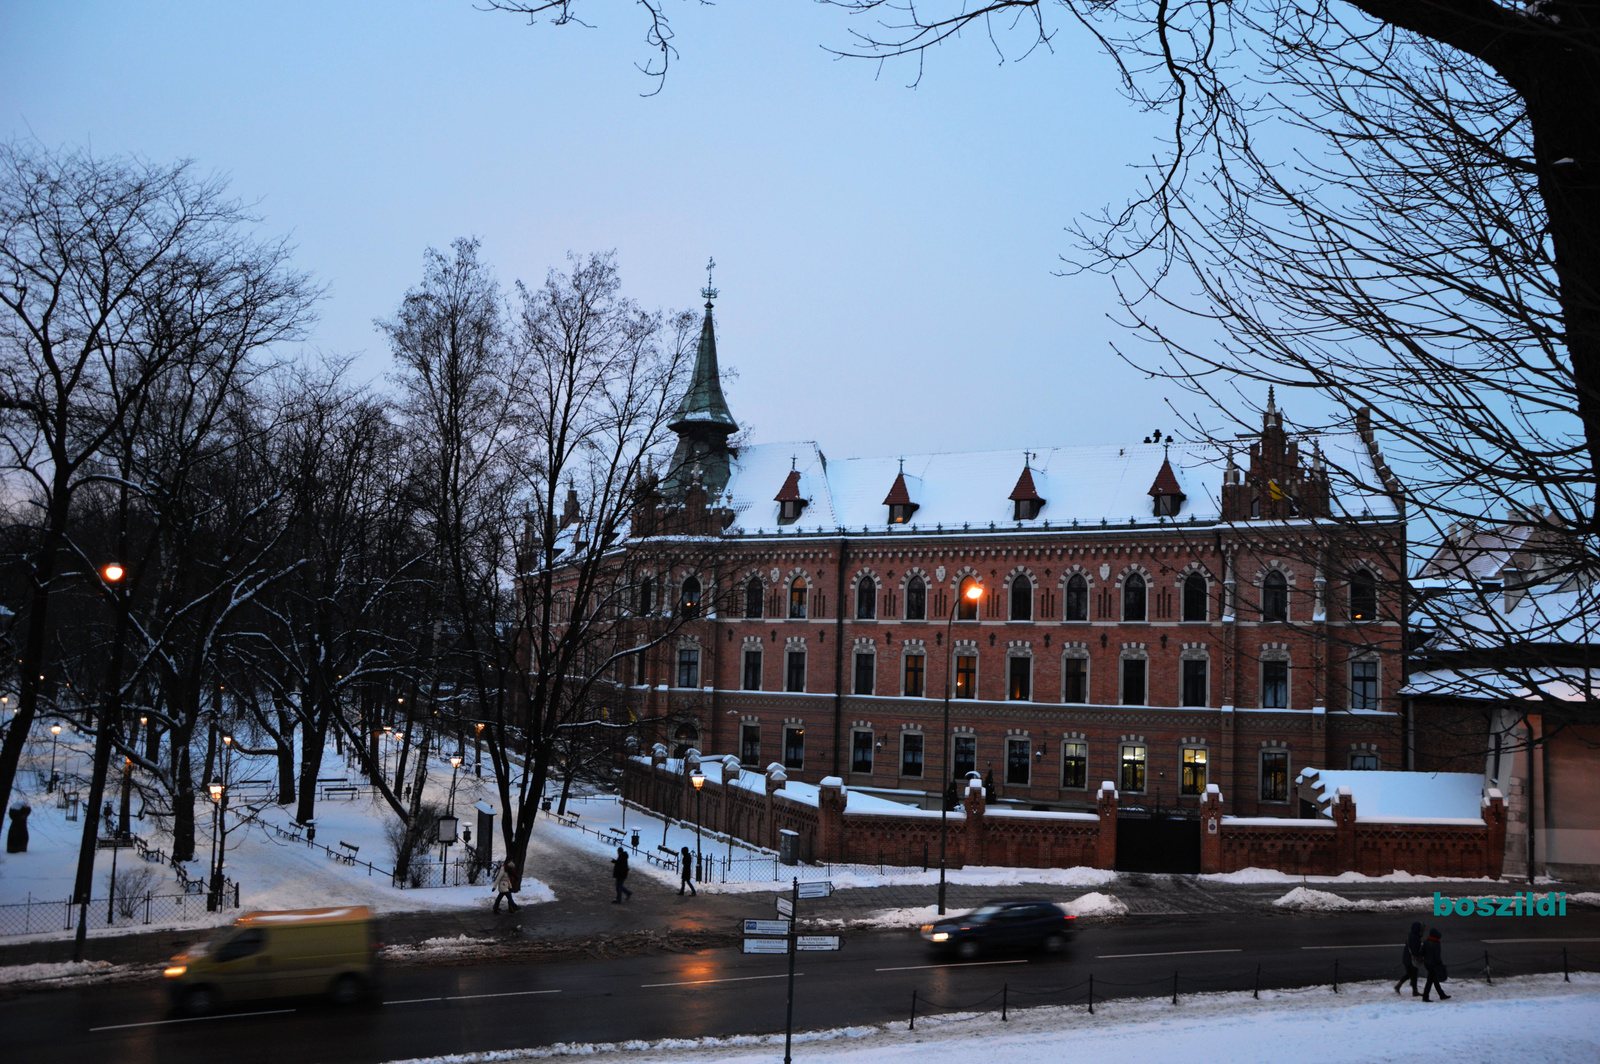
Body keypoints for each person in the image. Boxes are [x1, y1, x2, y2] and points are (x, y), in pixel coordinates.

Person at [1421, 926, 1450, 1001]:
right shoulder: (1436, 944)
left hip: (1427, 964)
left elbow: (1421, 952)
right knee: (1430, 981)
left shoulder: (1426, 942)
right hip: (1434, 965)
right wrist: (1440, 964)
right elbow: (1437, 956)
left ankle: (1441, 994)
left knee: (1434, 980)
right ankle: (1425, 997)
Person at [1395, 920, 1423, 996]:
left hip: (1407, 957)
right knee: (1413, 974)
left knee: (1410, 973)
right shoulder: (1415, 938)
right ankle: (1414, 991)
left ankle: (1399, 986)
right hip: (1411, 959)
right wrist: (1421, 955)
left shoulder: (1411, 935)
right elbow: (1415, 951)